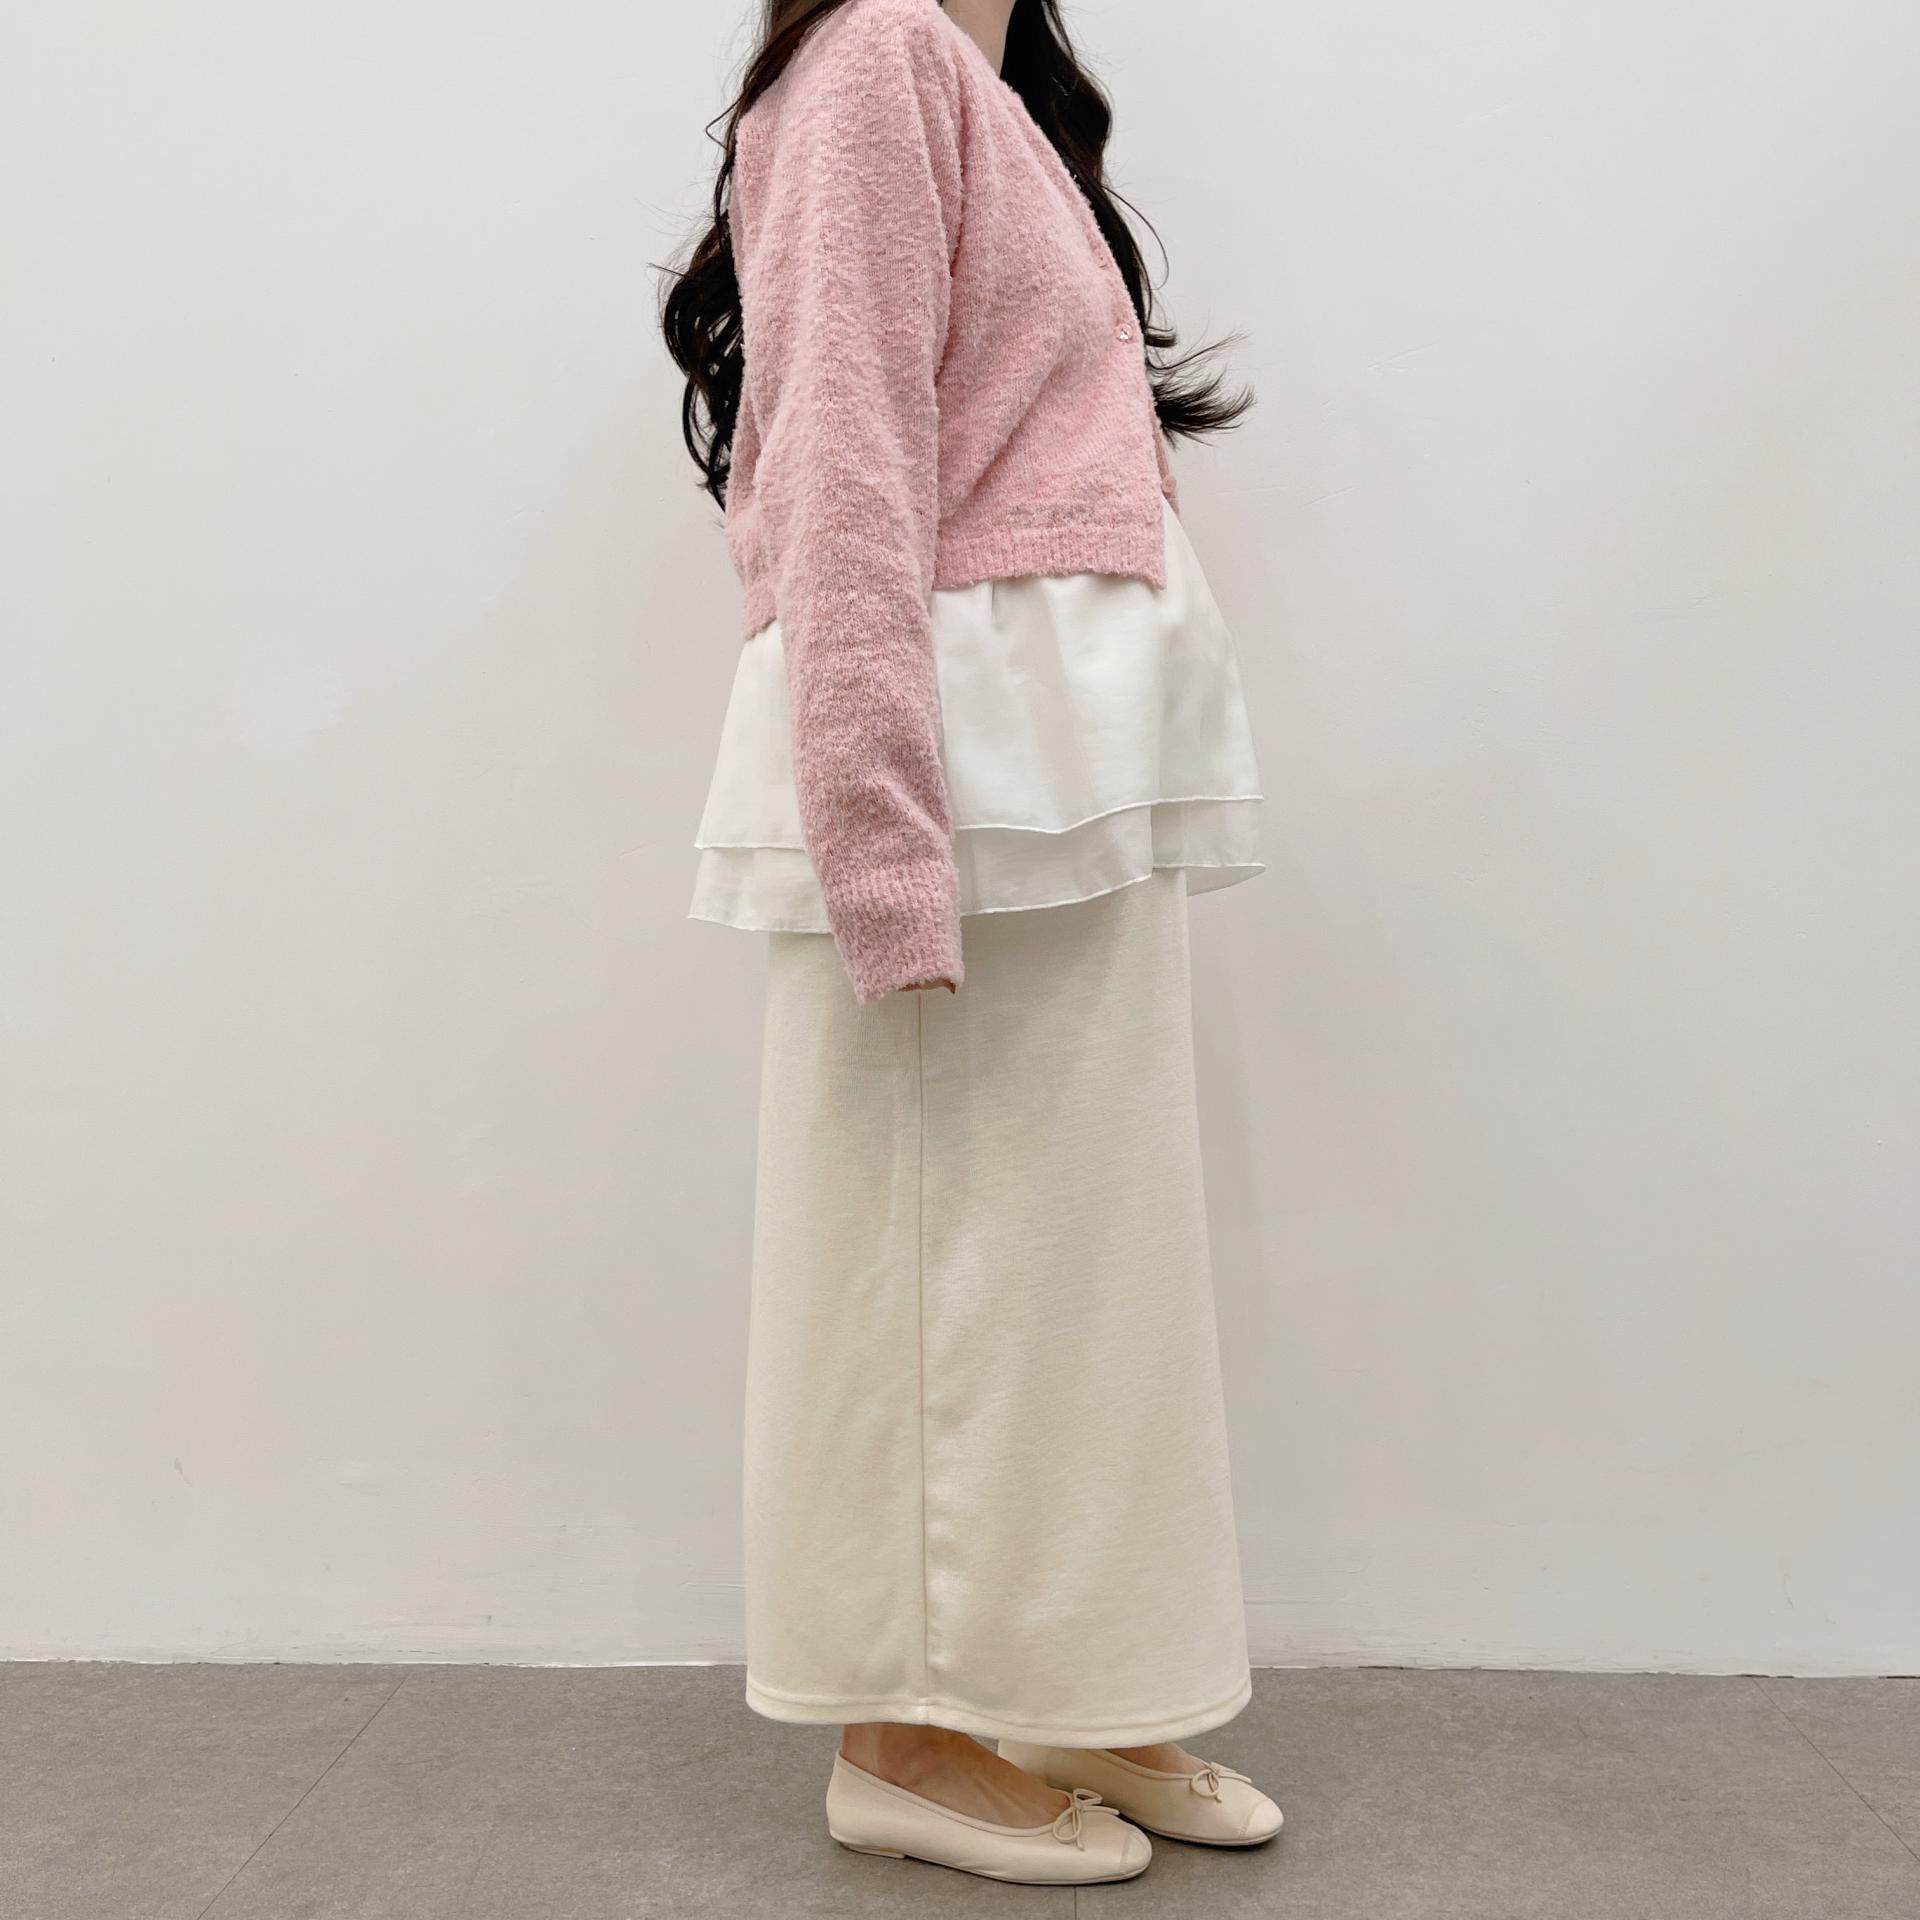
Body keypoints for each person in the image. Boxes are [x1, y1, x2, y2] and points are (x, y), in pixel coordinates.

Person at [661, 0, 1282, 1887]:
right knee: (912, 1264)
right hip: (956, 769)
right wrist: (878, 844)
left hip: (1058, 766)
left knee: (1075, 1271)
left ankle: (1065, 1681)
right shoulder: (874, 60)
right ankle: (899, 1738)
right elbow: (843, 456)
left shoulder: (993, 91)